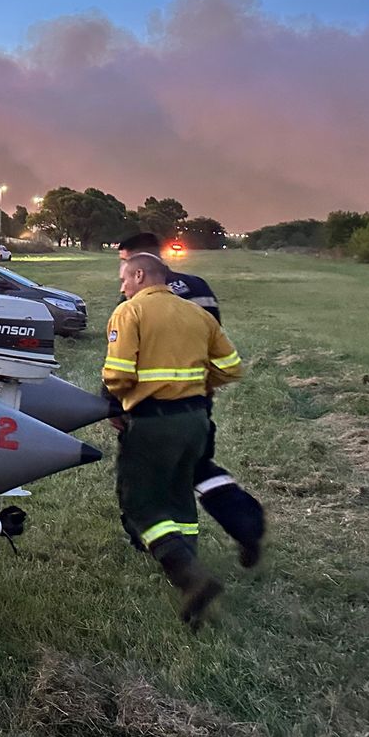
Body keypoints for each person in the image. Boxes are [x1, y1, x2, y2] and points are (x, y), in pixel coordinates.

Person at [103, 252, 244, 627]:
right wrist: (198, 386)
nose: (122, 287)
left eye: (124, 280)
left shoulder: (129, 312)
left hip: (153, 421)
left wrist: (117, 401)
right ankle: (190, 561)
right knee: (180, 495)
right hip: (195, 420)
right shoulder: (197, 314)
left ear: (139, 275)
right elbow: (232, 367)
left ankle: (190, 578)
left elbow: (118, 375)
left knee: (140, 503)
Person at [115, 232, 265, 567]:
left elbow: (124, 361)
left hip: (148, 408)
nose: (122, 276)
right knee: (196, 466)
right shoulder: (199, 289)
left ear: (140, 265)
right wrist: (200, 382)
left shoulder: (134, 302)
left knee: (139, 481)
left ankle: (156, 546)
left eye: (124, 262)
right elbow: (218, 346)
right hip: (196, 401)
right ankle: (245, 522)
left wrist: (114, 404)